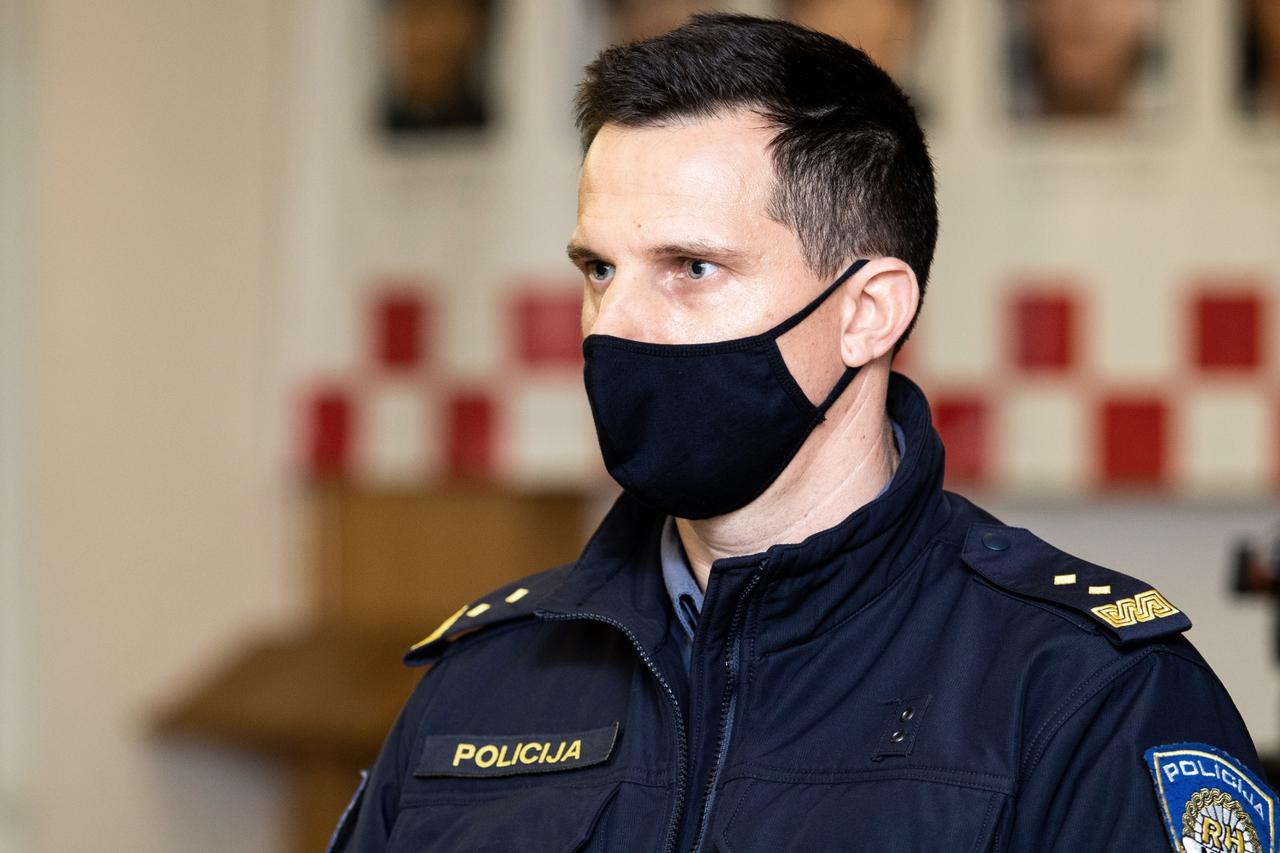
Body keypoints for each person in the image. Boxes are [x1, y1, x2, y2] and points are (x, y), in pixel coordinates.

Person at [329, 14, 1273, 852]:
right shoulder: (485, 679)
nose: (615, 325)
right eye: (600, 270)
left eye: (691, 267)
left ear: (868, 313)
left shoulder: (1085, 696)